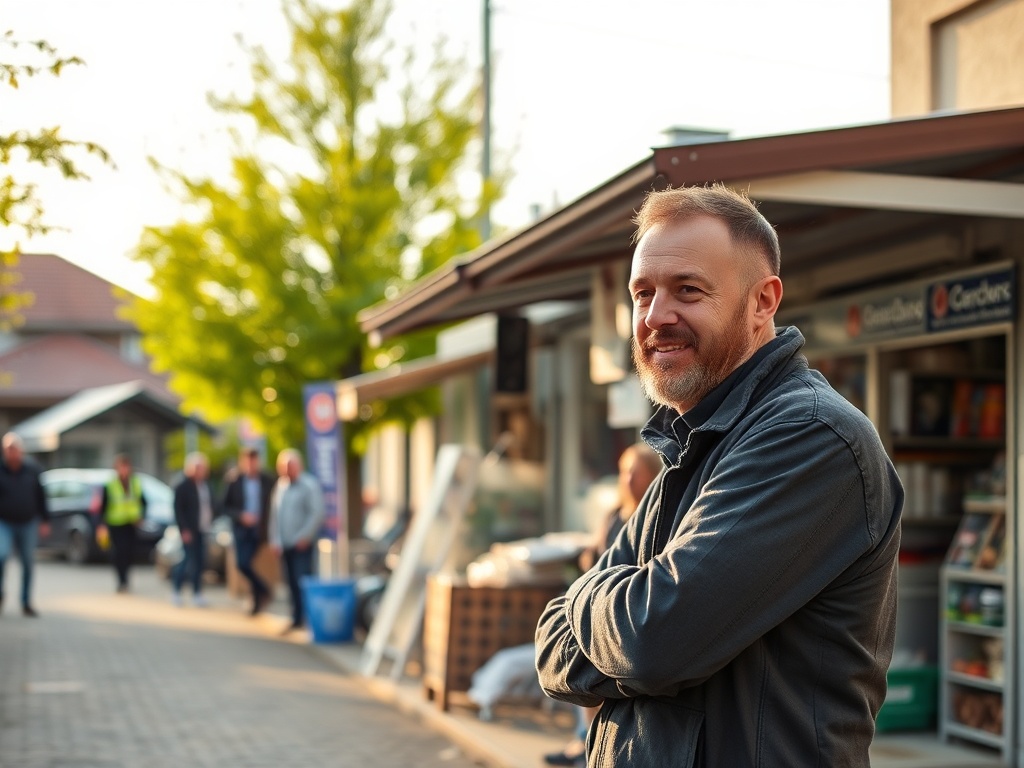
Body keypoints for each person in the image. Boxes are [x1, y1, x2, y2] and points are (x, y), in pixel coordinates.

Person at [534, 184, 904, 767]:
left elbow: (655, 641)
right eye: (643, 293)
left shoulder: (810, 436)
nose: (657, 316)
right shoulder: (694, 447)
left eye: (689, 290)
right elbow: (551, 650)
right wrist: (617, 615)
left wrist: (581, 596)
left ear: (763, 301)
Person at [544, 443, 662, 767]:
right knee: (579, 673)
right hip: (596, 608)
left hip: (625, 613)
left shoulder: (657, 516)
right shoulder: (613, 514)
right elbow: (595, 555)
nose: (627, 479)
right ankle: (583, 742)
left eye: (635, 472)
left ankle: (592, 746)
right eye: (624, 471)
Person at [267, 448, 325, 634]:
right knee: (290, 582)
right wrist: (275, 540)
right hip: (284, 544)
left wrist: (305, 536)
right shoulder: (280, 486)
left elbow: (316, 513)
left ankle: (309, 619)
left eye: (289, 466)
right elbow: (275, 516)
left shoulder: (309, 485)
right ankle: (296, 617)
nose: (286, 470)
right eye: (283, 467)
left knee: (303, 581)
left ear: (298, 466)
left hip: (301, 544)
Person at [0, 432, 51, 617]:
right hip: (4, 522)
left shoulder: (32, 469)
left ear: (20, 450)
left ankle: (26, 602)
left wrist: (45, 519)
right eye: (8, 449)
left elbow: (41, 496)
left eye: (14, 449)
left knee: (28, 562)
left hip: (28, 522)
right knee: (1, 555)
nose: (11, 453)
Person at [222, 447, 275, 615]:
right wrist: (241, 516)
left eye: (254, 461)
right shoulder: (234, 480)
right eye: (248, 461)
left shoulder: (267, 480)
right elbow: (224, 506)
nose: (251, 464)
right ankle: (264, 590)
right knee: (242, 564)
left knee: (251, 564)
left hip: (260, 530)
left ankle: (256, 602)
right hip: (242, 529)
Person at [95, 453, 148, 593]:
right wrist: (102, 524)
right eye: (121, 467)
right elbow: (104, 506)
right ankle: (121, 580)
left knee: (129, 552)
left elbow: (143, 502)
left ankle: (126, 579)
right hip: (115, 523)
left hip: (131, 523)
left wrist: (141, 516)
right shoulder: (111, 484)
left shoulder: (135, 482)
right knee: (118, 552)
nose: (124, 470)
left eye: (126, 467)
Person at [172, 451, 214, 607]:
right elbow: (178, 510)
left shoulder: (206, 485)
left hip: (203, 528)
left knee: (200, 562)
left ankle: (197, 593)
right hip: (189, 530)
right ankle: (176, 590)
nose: (199, 470)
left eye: (202, 467)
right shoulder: (183, 486)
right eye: (197, 467)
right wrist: (184, 529)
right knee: (187, 561)